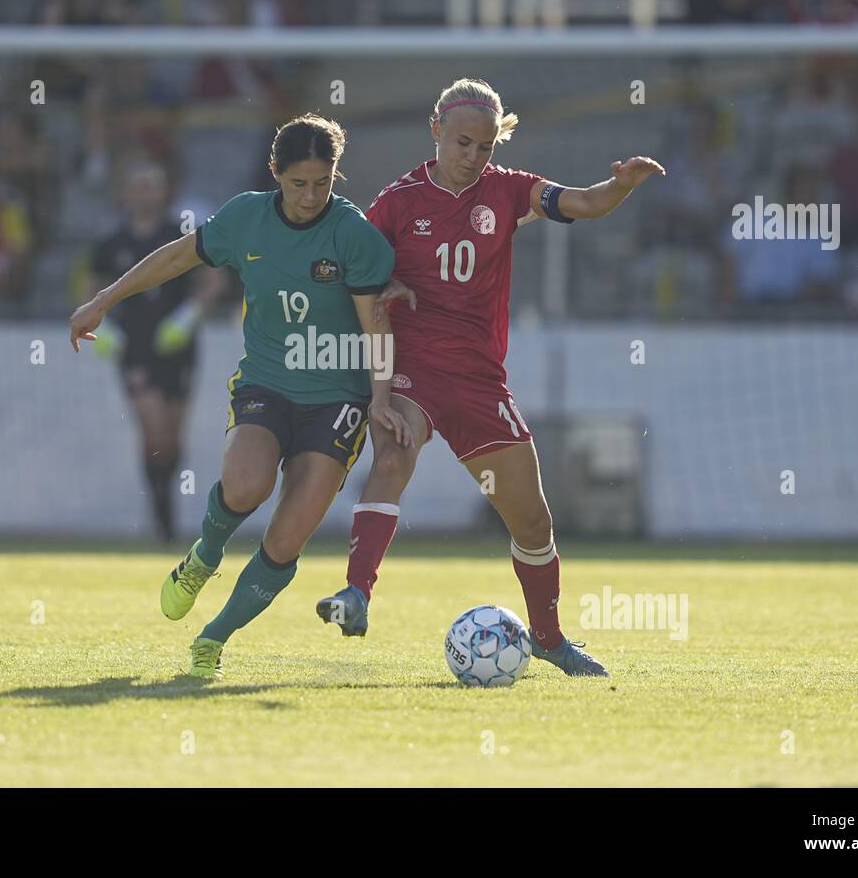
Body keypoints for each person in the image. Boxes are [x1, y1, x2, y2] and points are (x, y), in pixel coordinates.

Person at [315, 79, 665, 678]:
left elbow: (581, 202)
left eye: (484, 146)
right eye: (462, 143)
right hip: (412, 370)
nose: (473, 156)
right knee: (394, 456)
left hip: (479, 382)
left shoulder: (508, 191)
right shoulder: (397, 201)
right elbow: (349, 270)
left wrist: (619, 187)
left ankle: (550, 639)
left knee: (532, 521)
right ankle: (356, 593)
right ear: (436, 132)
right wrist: (378, 286)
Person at [70, 114, 410, 678]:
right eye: (298, 183)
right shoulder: (245, 217)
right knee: (247, 483)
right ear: (275, 173)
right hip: (267, 384)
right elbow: (178, 257)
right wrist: (104, 299)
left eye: (322, 183)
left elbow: (376, 325)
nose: (309, 196)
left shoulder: (352, 235)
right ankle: (204, 555)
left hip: (337, 400)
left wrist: (379, 399)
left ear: (334, 177)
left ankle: (214, 637)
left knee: (286, 537)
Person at [87, 157, 227, 542]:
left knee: (175, 435)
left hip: (177, 346)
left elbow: (213, 279)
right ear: (126, 193)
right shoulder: (111, 242)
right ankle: (161, 513)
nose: (147, 192)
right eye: (140, 184)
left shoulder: (178, 236)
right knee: (154, 429)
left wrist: (190, 316)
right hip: (135, 348)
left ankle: (166, 515)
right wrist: (105, 326)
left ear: (165, 191)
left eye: (154, 184)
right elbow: (90, 285)